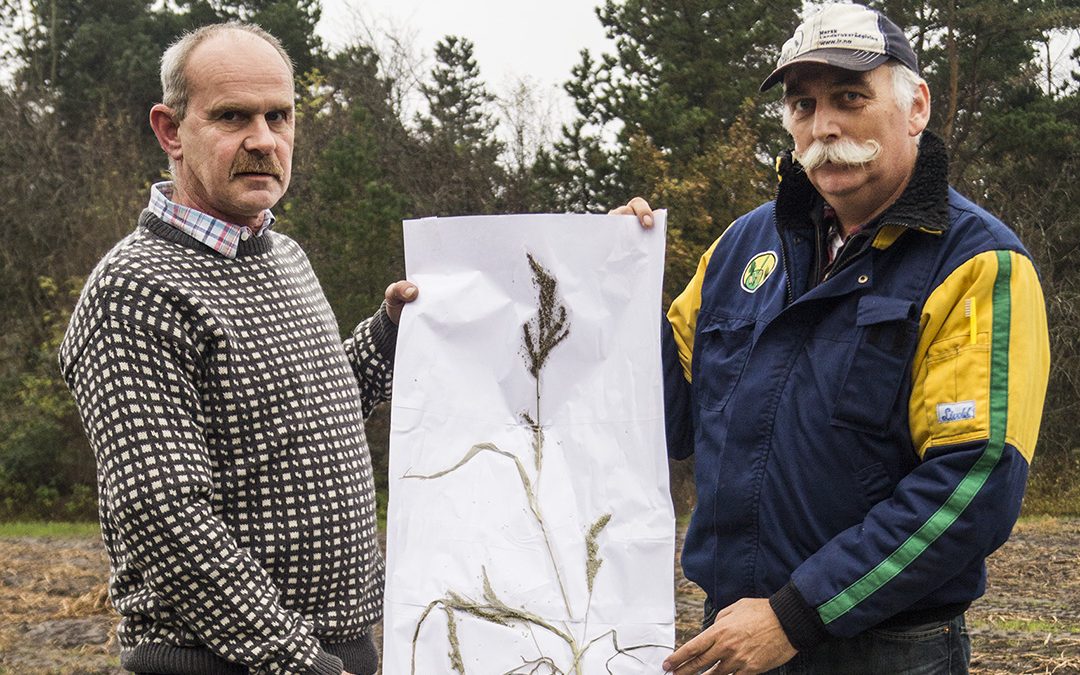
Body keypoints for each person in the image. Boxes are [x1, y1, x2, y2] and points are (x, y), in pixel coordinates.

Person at [615, 4, 1050, 673]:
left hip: (888, 651)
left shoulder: (977, 264)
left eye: (850, 97)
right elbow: (666, 422)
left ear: (917, 107)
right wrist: (612, 285)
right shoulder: (738, 249)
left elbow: (972, 482)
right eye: (803, 105)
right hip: (732, 635)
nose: (824, 126)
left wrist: (797, 613)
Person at [58, 23, 416, 675]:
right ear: (170, 130)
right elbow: (162, 514)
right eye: (232, 116)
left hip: (334, 651)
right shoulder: (135, 289)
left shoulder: (285, 255)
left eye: (279, 115)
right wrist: (298, 661)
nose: (263, 139)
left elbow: (313, 415)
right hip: (226, 663)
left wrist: (392, 329)